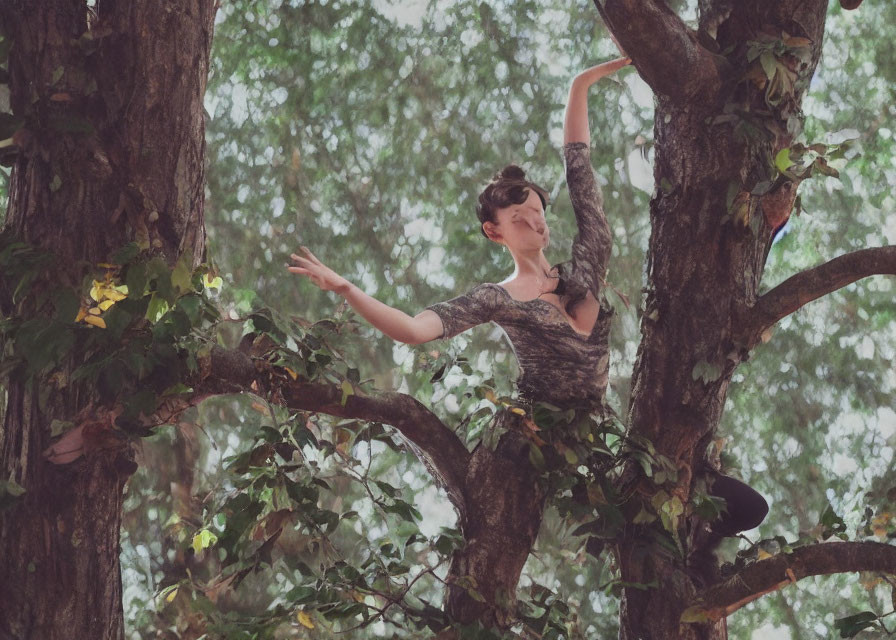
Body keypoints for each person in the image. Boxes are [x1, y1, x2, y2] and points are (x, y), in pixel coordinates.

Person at [286, 55, 767, 544]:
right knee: (647, 520)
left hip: (604, 442)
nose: (535, 222)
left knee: (744, 508)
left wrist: (581, 82)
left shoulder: (584, 267)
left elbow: (579, 164)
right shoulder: (502, 297)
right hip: (543, 448)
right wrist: (347, 289)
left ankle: (700, 544)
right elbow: (414, 331)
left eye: (538, 213)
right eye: (519, 217)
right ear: (494, 231)